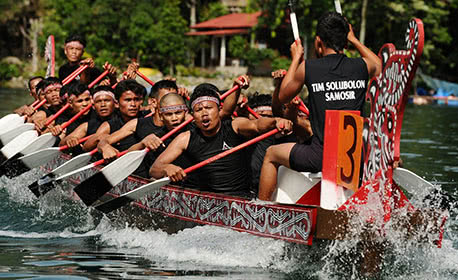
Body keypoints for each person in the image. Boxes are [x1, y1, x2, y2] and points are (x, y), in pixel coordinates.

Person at [258, 12, 382, 201]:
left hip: (321, 157)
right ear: (345, 41)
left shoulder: (308, 67)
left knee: (270, 154)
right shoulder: (362, 66)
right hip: (355, 157)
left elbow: (283, 96)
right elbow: (379, 66)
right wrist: (354, 39)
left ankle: (262, 209)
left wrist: (296, 58)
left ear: (318, 42)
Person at [150, 78, 293, 198]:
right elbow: (154, 169)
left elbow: (256, 125)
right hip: (207, 201)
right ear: (192, 116)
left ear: (219, 110)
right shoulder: (185, 138)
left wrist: (275, 121)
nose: (204, 113)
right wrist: (167, 168)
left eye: (209, 108)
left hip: (242, 197)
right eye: (199, 110)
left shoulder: (234, 126)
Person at [82, 79, 146, 152]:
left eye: (136, 100)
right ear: (116, 103)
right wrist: (102, 141)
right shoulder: (109, 125)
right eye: (128, 100)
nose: (133, 104)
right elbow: (86, 147)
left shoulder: (148, 116)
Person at [59, 85, 117, 150]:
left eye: (107, 100)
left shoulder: (123, 118)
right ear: (93, 105)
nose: (103, 105)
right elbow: (62, 143)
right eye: (98, 101)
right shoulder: (87, 125)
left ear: (116, 103)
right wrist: (69, 140)